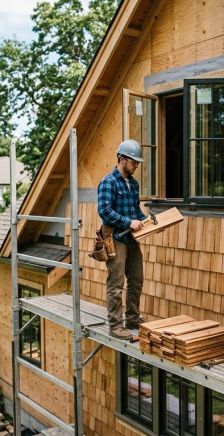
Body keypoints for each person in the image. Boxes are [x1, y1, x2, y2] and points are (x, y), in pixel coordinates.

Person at [97, 139, 147, 340]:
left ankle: (133, 319)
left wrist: (149, 223)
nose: (136, 165)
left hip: (132, 239)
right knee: (116, 285)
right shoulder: (108, 182)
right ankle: (116, 327)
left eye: (137, 162)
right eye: (133, 161)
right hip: (116, 238)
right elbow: (105, 211)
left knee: (137, 279)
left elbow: (136, 212)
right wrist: (128, 222)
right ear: (122, 159)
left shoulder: (133, 184)